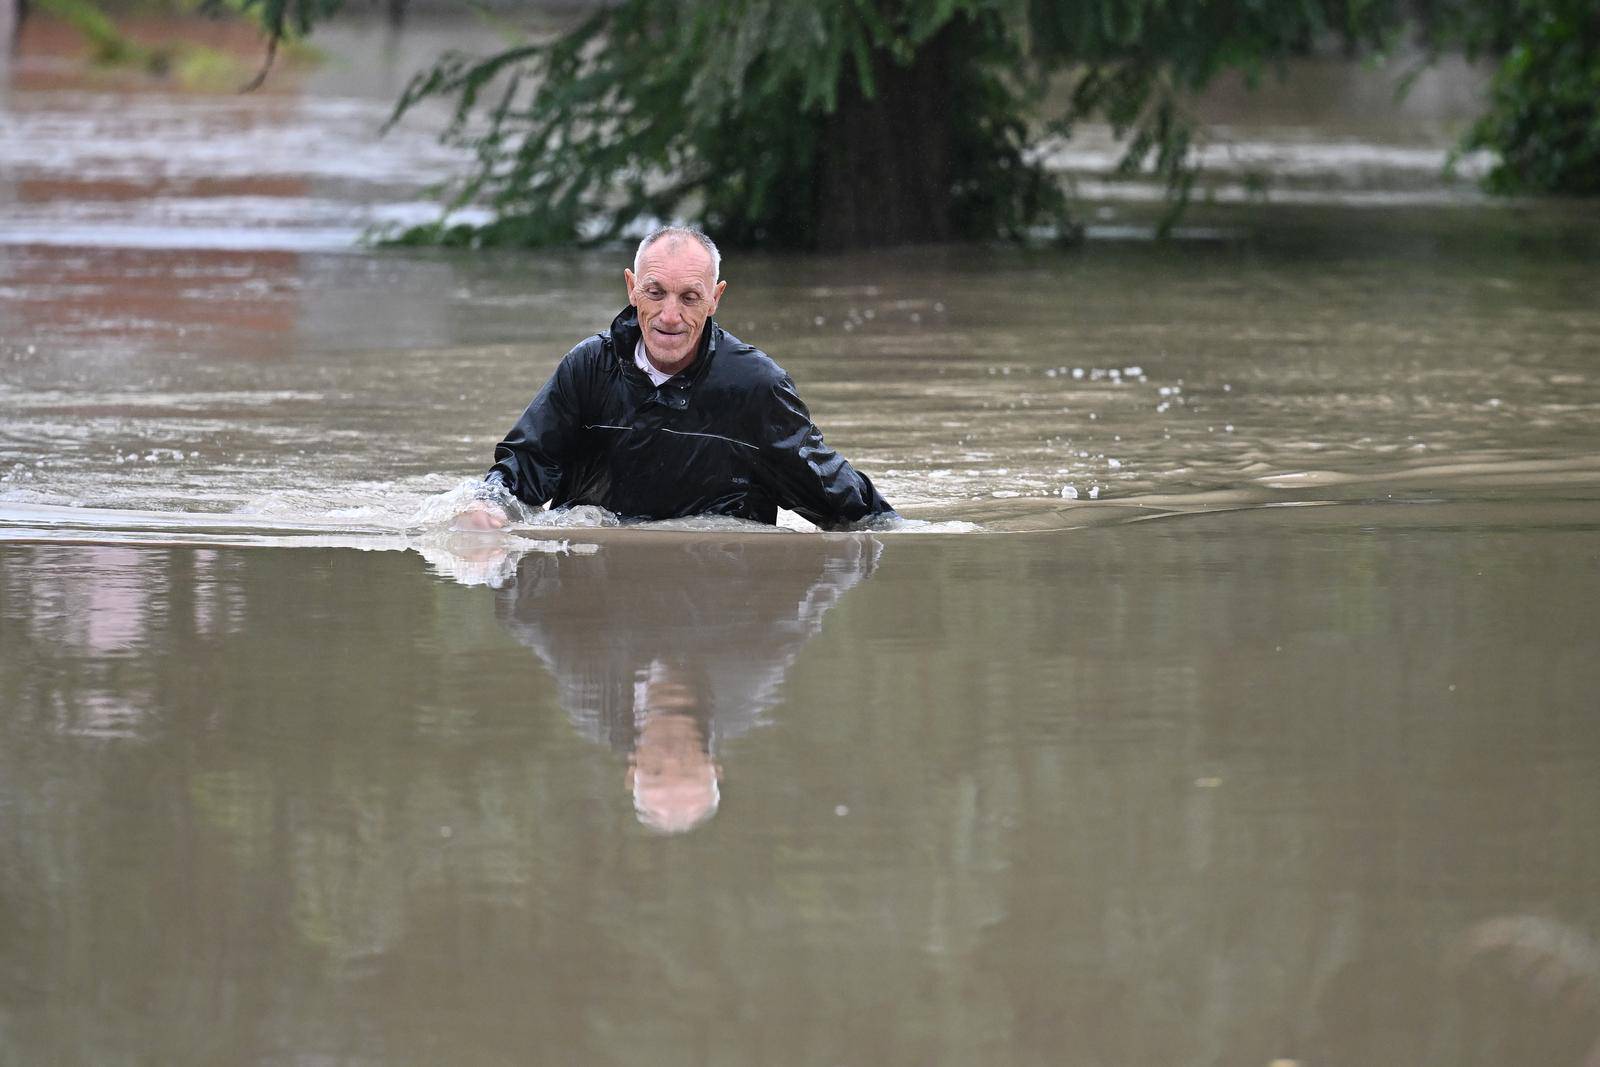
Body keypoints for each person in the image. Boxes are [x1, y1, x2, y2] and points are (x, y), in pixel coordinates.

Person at [453, 226, 896, 530]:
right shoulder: (589, 368)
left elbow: (835, 496)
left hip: (714, 602)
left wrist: (908, 532)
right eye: (655, 292)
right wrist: (487, 505)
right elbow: (525, 466)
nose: (670, 316)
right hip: (601, 597)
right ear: (631, 287)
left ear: (715, 299)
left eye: (689, 297)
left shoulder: (754, 387)